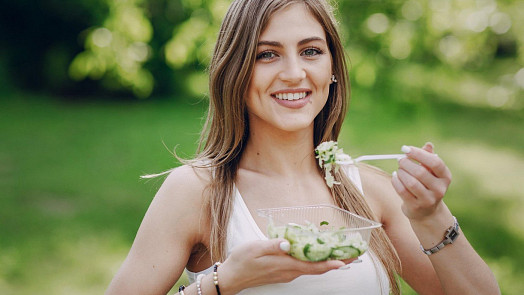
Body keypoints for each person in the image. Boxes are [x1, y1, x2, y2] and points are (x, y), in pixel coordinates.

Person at [106, 0, 500, 294]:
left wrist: (431, 214)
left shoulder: (371, 192)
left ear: (331, 70)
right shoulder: (197, 191)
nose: (294, 73)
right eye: (267, 54)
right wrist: (225, 281)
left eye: (311, 51)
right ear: (235, 72)